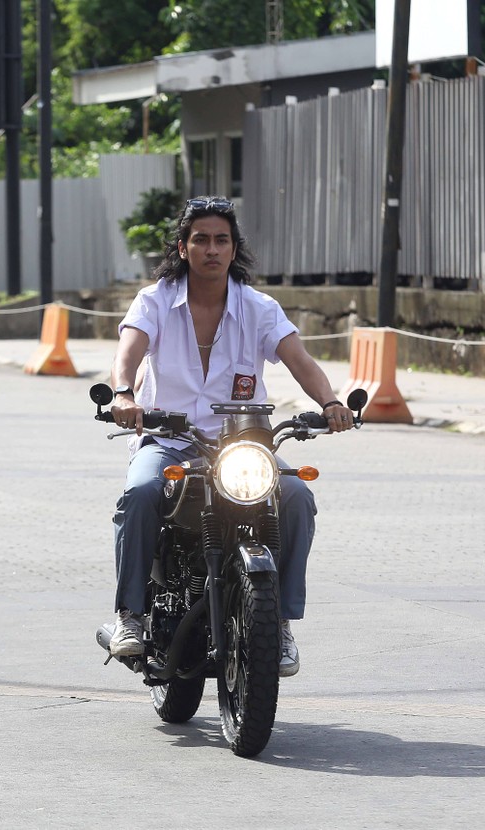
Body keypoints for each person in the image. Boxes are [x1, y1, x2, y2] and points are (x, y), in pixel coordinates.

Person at [108, 196, 354, 677]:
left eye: (222, 240)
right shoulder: (155, 300)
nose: (212, 249)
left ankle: (279, 621)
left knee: (298, 497)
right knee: (139, 492)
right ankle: (130, 615)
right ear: (183, 247)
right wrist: (122, 394)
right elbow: (128, 353)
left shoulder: (259, 308)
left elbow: (300, 361)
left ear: (234, 248)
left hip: (243, 447)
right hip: (170, 442)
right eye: (201, 239)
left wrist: (330, 403)